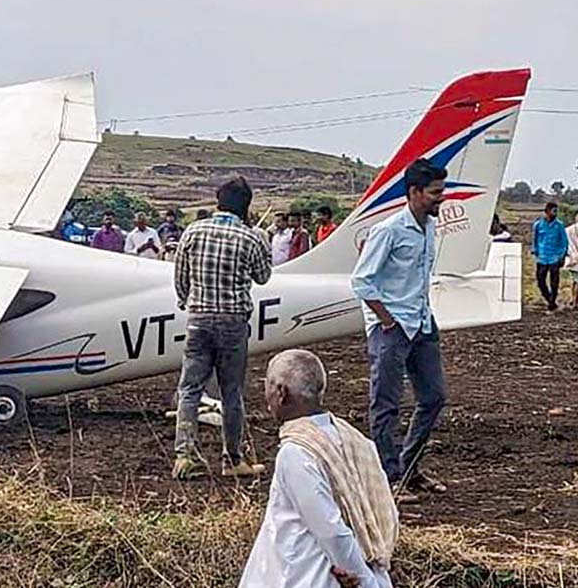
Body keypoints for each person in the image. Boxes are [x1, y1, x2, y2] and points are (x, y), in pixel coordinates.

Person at [240, 350, 397, 588]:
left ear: (281, 393)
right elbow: (385, 512)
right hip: (359, 570)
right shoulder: (356, 441)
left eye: (268, 387)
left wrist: (367, 583)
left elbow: (331, 531)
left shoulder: (297, 452)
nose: (266, 398)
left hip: (308, 575)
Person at [350, 159, 449, 495]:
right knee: (386, 403)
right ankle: (389, 479)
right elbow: (362, 281)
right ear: (414, 192)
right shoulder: (389, 230)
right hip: (391, 328)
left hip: (421, 322)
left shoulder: (430, 226)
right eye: (435, 193)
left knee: (434, 397)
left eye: (442, 191)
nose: (442, 198)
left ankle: (408, 469)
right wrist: (387, 319)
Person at [173, 176, 272, 479]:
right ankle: (233, 460)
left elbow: (181, 278)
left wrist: (186, 301)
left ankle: (185, 457)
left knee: (190, 388)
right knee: (231, 393)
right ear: (246, 207)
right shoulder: (249, 237)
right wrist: (262, 240)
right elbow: (263, 276)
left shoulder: (193, 231)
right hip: (232, 323)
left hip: (199, 320)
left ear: (218, 200)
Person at [531, 202, 568, 311]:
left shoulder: (559, 225)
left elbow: (564, 242)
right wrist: (535, 251)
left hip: (555, 257)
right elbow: (535, 240)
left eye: (556, 211)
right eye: (554, 211)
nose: (556, 213)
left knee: (554, 282)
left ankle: (552, 302)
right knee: (540, 280)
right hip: (542, 257)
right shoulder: (538, 225)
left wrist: (562, 255)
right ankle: (548, 299)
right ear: (547, 211)